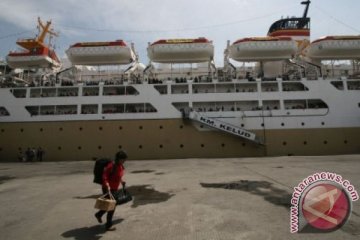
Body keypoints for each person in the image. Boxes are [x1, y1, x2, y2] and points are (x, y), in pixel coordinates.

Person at [95, 150, 127, 231]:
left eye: (124, 159)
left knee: (109, 204)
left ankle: (99, 214)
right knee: (112, 206)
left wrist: (121, 181)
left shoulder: (120, 166)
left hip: (114, 188)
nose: (124, 161)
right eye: (122, 159)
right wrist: (107, 184)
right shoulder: (111, 165)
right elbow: (104, 176)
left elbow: (118, 176)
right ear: (118, 158)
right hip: (107, 188)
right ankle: (108, 225)